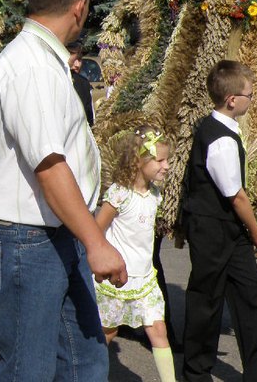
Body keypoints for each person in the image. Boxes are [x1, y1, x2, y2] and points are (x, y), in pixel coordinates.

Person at [0, 0, 126, 381]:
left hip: (51, 232)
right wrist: (96, 242)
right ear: (80, 7)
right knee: (29, 370)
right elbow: (49, 166)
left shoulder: (43, 59)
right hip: (26, 237)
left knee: (85, 361)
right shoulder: (32, 65)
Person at [181, 59, 257, 382]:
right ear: (232, 100)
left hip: (229, 230)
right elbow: (235, 195)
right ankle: (196, 371)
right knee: (207, 299)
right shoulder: (220, 138)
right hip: (211, 228)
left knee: (251, 294)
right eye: (249, 95)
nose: (252, 99)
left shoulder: (226, 131)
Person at [94, 125, 175, 382]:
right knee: (107, 332)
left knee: (159, 330)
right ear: (139, 161)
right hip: (117, 279)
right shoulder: (119, 194)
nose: (166, 166)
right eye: (160, 160)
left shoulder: (155, 194)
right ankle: (86, 373)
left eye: (167, 160)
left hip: (145, 279)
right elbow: (96, 231)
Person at [67, 41, 94, 126]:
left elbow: (89, 115)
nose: (77, 65)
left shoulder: (83, 83)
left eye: (79, 59)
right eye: (74, 59)